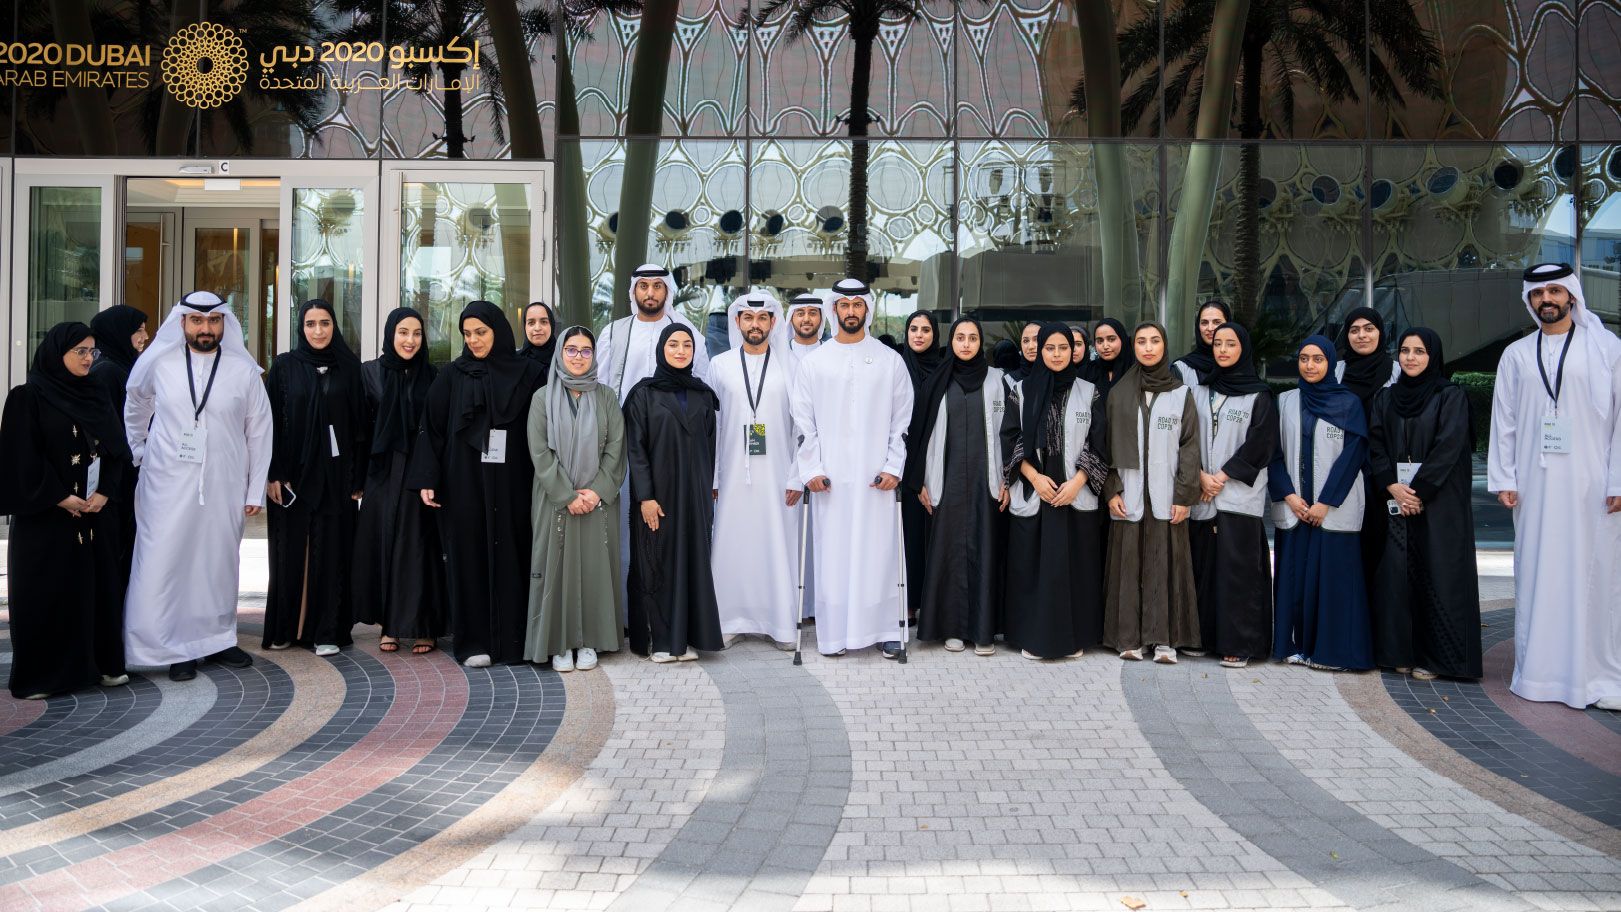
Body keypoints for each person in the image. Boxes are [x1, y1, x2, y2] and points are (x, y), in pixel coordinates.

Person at [1488, 263, 1621, 709]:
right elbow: (1503, 421)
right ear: (1530, 301)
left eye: (1555, 291)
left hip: (1594, 486)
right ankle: (1541, 676)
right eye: (1539, 293)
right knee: (1538, 572)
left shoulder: (1606, 348)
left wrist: (1619, 478)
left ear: (1571, 296)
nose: (1547, 299)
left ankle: (1595, 678)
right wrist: (1504, 476)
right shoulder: (1517, 355)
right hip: (1534, 485)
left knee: (1595, 576)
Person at [123, 291, 272, 682]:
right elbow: (135, 403)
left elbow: (260, 432)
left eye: (214, 321)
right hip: (166, 483)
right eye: (197, 321)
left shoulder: (244, 371)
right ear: (182, 324)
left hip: (224, 483)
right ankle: (174, 647)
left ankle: (217, 640)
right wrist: (138, 451)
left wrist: (255, 490)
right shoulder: (160, 364)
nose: (206, 328)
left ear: (224, 324)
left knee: (217, 562)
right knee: (168, 561)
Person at [408, 301, 547, 667]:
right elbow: (432, 428)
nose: (473, 341)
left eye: (481, 332)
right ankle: (474, 644)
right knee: (467, 555)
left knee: (516, 553)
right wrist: (427, 478)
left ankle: (517, 642)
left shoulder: (530, 373)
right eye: (467, 334)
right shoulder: (452, 375)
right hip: (464, 483)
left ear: (498, 331)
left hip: (515, 482)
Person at [1, 323, 132, 698]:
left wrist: (106, 492)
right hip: (47, 519)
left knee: (98, 590)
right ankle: (43, 676)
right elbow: (21, 458)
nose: (89, 359)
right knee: (47, 595)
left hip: (95, 515)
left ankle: (101, 665)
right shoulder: (27, 398)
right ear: (57, 354)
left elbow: (116, 450)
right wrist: (60, 496)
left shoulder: (97, 393)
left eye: (93, 352)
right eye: (80, 352)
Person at [791, 277, 914, 658]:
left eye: (857, 305)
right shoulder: (814, 362)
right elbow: (803, 422)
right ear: (834, 310)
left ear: (867, 310)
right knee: (833, 557)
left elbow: (901, 420)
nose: (850, 312)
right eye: (844, 306)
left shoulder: (889, 360)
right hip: (831, 481)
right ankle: (834, 635)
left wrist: (894, 465)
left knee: (879, 554)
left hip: (876, 478)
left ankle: (885, 630)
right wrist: (811, 469)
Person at [1369, 328, 1481, 681]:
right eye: (1404, 350)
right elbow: (1375, 445)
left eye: (1419, 351)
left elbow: (1450, 447)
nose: (1411, 357)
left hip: (1439, 503)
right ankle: (1399, 652)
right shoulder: (1385, 398)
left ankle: (1438, 659)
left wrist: (1417, 492)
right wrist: (1392, 486)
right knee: (1398, 577)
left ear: (1433, 356)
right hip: (1397, 500)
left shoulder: (1450, 396)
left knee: (1440, 576)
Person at [263, 300, 368, 656]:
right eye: (311, 324)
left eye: (325, 323)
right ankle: (286, 628)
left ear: (334, 326)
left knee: (332, 552)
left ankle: (327, 631)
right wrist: (273, 473)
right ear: (301, 328)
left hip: (336, 478)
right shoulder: (285, 367)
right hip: (291, 478)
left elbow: (359, 429)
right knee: (288, 552)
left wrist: (357, 478)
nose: (318, 331)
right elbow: (271, 424)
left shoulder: (349, 368)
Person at [1000, 323, 1108, 660]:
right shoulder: (1021, 390)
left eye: (1064, 347)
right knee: (1032, 570)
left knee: (1074, 571)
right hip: (1038, 494)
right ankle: (1032, 638)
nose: (1058, 354)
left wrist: (1077, 482)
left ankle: (1073, 638)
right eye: (1050, 348)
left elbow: (1100, 442)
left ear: (1075, 351)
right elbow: (1011, 438)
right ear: (1040, 351)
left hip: (1074, 495)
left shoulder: (1090, 391)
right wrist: (1034, 477)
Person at [1269, 336, 1373, 672]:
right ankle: (1292, 646)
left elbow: (1354, 455)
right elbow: (1273, 453)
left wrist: (1325, 502)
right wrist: (1289, 495)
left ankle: (1330, 652)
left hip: (1332, 510)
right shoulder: (1285, 401)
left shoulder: (1348, 403)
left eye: (1317, 359)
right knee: (1294, 581)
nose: (1310, 366)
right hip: (1295, 508)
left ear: (1330, 363)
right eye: (1304, 359)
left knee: (1331, 583)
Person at [525, 326, 626, 671]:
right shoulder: (542, 398)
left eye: (586, 351)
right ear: (560, 354)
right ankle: (559, 644)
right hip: (556, 499)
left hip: (598, 499)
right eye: (571, 350)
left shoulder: (607, 397)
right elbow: (539, 452)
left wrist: (595, 491)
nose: (579, 357)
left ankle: (590, 642)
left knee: (596, 569)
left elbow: (616, 448)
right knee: (556, 568)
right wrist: (567, 495)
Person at [907, 317, 1008, 654]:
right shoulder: (939, 380)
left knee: (985, 550)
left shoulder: (998, 381)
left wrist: (1007, 479)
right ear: (951, 342)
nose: (966, 344)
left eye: (973, 338)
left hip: (986, 482)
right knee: (948, 553)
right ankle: (951, 628)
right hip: (947, 481)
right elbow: (920, 433)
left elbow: (1010, 433)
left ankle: (983, 632)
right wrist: (919, 477)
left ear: (982, 343)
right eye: (960, 338)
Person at [624, 325, 724, 661]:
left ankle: (688, 639)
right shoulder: (643, 394)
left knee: (692, 564)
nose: (680, 351)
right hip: (658, 498)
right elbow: (635, 449)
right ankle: (661, 641)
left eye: (687, 345)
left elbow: (710, 448)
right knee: (657, 563)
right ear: (661, 350)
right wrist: (645, 497)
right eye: (673, 344)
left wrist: (708, 491)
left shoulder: (702, 395)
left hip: (693, 498)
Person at [1103, 322, 1201, 663]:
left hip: (1166, 495)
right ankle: (1129, 638)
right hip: (1128, 494)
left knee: (1164, 567)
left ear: (1164, 345)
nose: (1147, 347)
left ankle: (1164, 641)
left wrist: (1184, 497)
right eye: (1141, 341)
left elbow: (1190, 449)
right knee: (1129, 567)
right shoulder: (1119, 394)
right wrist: (1111, 489)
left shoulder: (1180, 393)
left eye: (1154, 341)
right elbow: (1105, 446)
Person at [710, 293, 803, 646]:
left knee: (776, 543)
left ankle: (779, 623)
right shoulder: (720, 366)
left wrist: (797, 475)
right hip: (732, 474)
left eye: (762, 318)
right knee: (731, 541)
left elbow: (804, 427)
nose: (755, 324)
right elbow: (713, 426)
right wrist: (715, 476)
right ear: (737, 323)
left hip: (779, 474)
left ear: (773, 323)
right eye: (747, 318)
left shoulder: (790, 366)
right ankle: (729, 619)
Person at [353, 307, 444, 656]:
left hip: (419, 473)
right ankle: (389, 624)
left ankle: (424, 626)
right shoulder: (370, 374)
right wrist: (357, 480)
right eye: (403, 332)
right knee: (384, 545)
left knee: (418, 548)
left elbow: (437, 431)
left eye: (417, 333)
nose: (410, 340)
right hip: (381, 474)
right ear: (391, 334)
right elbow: (359, 432)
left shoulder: (433, 376)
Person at [1188, 323, 1279, 668]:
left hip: (1238, 496)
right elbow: (1186, 439)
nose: (1223, 349)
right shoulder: (1198, 391)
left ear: (1244, 349)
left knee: (1238, 573)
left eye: (1231, 344)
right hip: (1201, 494)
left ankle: (1239, 643)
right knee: (1203, 570)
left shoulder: (1259, 395)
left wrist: (1221, 477)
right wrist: (1199, 476)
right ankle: (1204, 638)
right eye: (1218, 343)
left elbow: (1261, 444)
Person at [1336, 305, 1398, 619]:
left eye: (1369, 328)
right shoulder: (1336, 370)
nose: (1362, 335)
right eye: (1355, 329)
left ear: (1380, 332)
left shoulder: (1396, 370)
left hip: (1382, 474)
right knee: (1347, 550)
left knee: (1382, 550)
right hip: (1342, 470)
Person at [87, 305, 149, 597]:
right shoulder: (108, 372)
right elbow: (111, 432)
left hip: (125, 476)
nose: (145, 337)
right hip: (117, 482)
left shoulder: (122, 368)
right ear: (118, 333)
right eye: (138, 330)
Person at [597, 264, 710, 401]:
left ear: (667, 291)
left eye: (657, 286)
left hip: (672, 420)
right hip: (623, 419)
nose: (650, 293)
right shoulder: (612, 332)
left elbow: (702, 382)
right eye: (643, 286)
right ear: (634, 291)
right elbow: (600, 384)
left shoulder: (686, 333)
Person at [898, 310, 942, 623]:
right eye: (914, 329)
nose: (919, 335)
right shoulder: (897, 367)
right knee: (908, 536)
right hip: (903, 464)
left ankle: (933, 601)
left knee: (935, 535)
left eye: (926, 330)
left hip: (937, 462)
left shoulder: (944, 369)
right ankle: (909, 602)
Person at [1172, 300, 1233, 389]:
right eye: (1204, 323)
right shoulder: (1181, 369)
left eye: (1217, 322)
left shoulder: (1239, 365)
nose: (1210, 328)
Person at [1087, 317, 1136, 394]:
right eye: (1100, 341)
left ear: (1122, 339)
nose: (1105, 346)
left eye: (1111, 339)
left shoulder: (1136, 370)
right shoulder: (1087, 372)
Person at [519, 301, 557, 377]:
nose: (537, 328)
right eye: (531, 323)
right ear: (525, 327)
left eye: (544, 322)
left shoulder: (565, 360)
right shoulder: (515, 363)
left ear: (551, 325)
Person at [786, 293, 827, 362]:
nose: (806, 319)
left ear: (821, 318)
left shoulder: (830, 351)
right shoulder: (780, 353)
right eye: (800, 314)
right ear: (791, 319)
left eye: (813, 313)